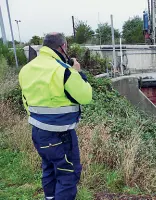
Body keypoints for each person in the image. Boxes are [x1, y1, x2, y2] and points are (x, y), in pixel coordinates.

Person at [19, 32, 92, 200]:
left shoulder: (26, 69)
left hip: (38, 133)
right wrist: (78, 73)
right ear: (63, 47)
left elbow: (26, 101)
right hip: (61, 134)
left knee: (49, 169)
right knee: (67, 175)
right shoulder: (64, 71)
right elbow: (86, 96)